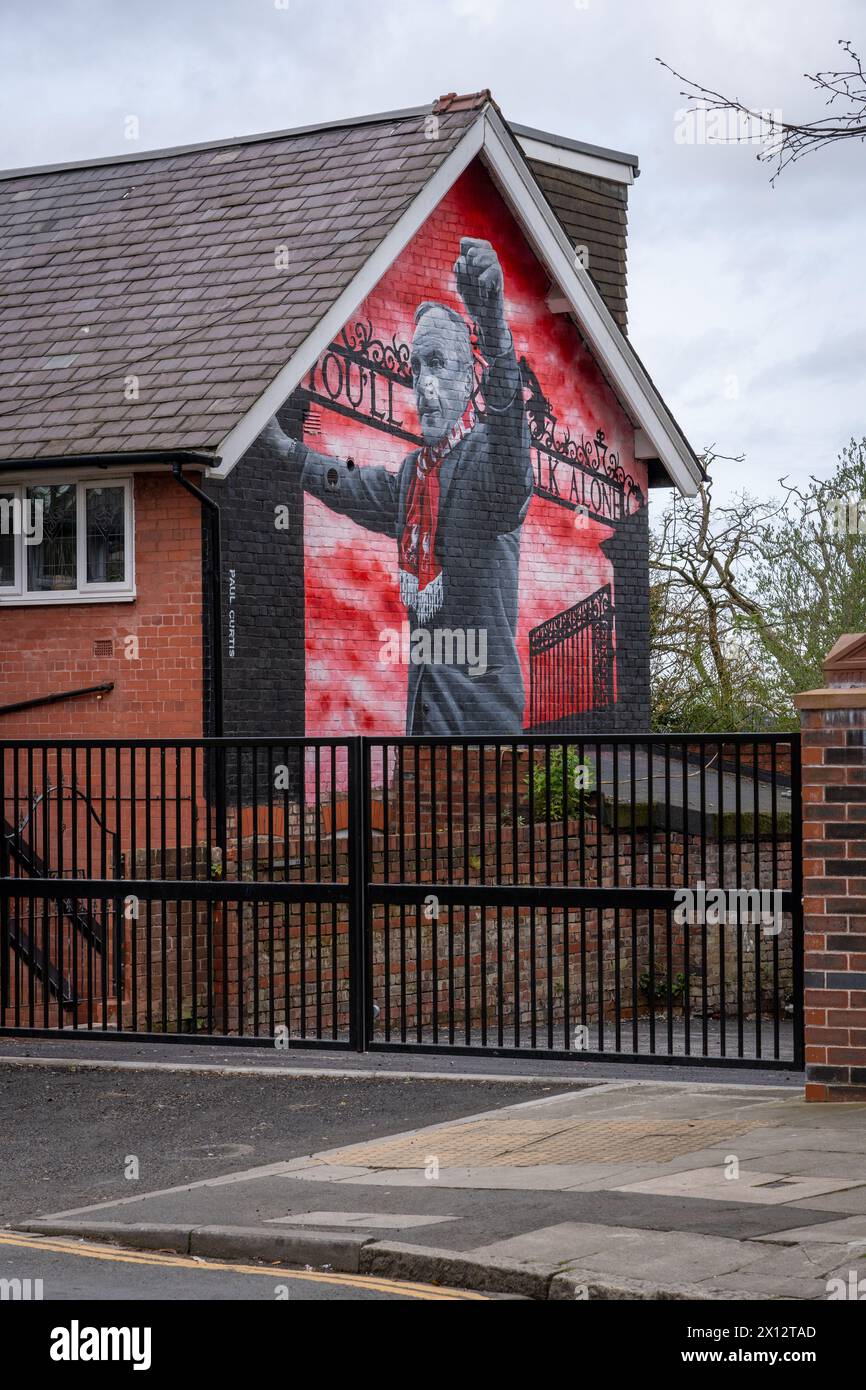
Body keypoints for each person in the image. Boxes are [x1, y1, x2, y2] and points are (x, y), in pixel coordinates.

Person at [263, 237, 533, 733]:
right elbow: (356, 487)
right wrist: (289, 452)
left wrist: (495, 333)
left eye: (438, 364)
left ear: (470, 379)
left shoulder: (485, 457)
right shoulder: (415, 475)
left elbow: (513, 463)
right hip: (425, 719)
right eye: (416, 368)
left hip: (483, 731)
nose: (423, 384)